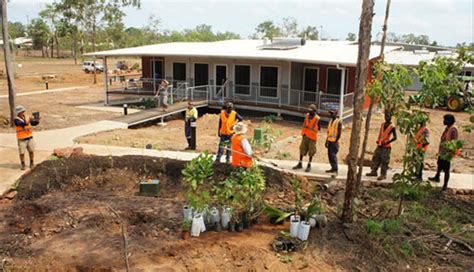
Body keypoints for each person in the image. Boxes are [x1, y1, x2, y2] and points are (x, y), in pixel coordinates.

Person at [429, 114, 459, 191]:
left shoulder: (453, 130)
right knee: (439, 164)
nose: (443, 121)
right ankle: (437, 176)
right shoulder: (447, 129)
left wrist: (449, 152)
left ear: (449, 121)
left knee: (446, 169)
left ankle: (445, 185)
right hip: (443, 151)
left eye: (445, 120)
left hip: (447, 153)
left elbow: (454, 142)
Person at [366, 112, 397, 180]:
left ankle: (383, 174)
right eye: (386, 116)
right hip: (380, 145)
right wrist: (379, 140)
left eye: (388, 116)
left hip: (386, 147)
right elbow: (381, 134)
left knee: (384, 160)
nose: (387, 117)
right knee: (376, 158)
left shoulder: (392, 126)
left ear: (391, 117)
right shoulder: (382, 124)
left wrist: (387, 142)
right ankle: (374, 171)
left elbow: (395, 137)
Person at [293, 104, 321, 172]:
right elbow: (304, 124)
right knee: (302, 149)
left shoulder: (317, 118)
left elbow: (319, 128)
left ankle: (309, 164)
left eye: (311, 111)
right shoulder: (307, 115)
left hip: (312, 137)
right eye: (309, 110)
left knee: (311, 152)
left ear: (314, 111)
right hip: (305, 135)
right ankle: (300, 163)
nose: (309, 112)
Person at [14, 105, 40, 170]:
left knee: (31, 151)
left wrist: (37, 120)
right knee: (22, 153)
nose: (23, 112)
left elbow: (33, 124)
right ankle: (23, 164)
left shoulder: (27, 117)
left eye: (23, 111)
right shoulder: (16, 119)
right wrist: (29, 119)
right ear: (18, 113)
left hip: (29, 137)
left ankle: (32, 163)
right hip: (21, 139)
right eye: (22, 111)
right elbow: (22, 124)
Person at [325, 109, 342, 174]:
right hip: (330, 141)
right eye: (330, 113)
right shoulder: (330, 121)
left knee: (333, 155)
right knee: (330, 155)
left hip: (335, 142)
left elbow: (339, 133)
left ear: (335, 114)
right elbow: (329, 132)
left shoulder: (338, 122)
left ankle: (335, 169)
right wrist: (326, 141)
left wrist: (336, 141)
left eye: (332, 113)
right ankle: (333, 168)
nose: (331, 115)